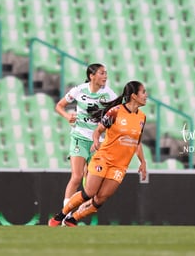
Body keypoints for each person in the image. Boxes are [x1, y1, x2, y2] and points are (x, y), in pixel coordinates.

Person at [49, 80, 148, 227]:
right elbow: (98, 130)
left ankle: (73, 219)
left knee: (101, 198)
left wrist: (143, 162)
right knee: (89, 192)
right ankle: (62, 214)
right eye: (143, 92)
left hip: (120, 166)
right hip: (104, 158)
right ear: (134, 95)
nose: (146, 96)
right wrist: (95, 141)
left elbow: (137, 142)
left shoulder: (142, 117)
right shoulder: (115, 112)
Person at [55, 63, 117, 216]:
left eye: (106, 73)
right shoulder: (79, 90)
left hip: (98, 142)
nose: (105, 76)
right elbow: (59, 106)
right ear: (92, 76)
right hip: (80, 137)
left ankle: (78, 212)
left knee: (92, 186)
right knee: (76, 176)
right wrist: (68, 116)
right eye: (102, 73)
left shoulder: (109, 94)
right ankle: (65, 214)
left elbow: (118, 113)